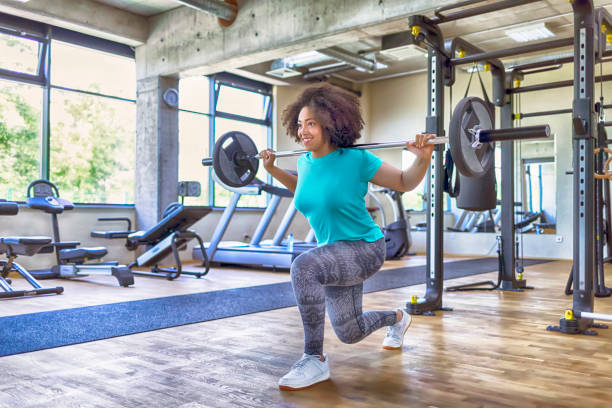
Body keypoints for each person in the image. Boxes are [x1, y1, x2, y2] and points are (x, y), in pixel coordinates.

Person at [259, 83, 435, 391]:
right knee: (350, 331)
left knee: (304, 267)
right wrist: (272, 168)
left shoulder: (357, 160)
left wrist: (421, 158)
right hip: (334, 252)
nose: (303, 131)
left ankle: (314, 359)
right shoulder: (304, 161)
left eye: (310, 123)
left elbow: (405, 181)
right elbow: (304, 191)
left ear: (330, 123)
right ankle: (397, 318)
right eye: (300, 124)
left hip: (365, 247)